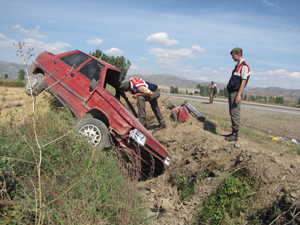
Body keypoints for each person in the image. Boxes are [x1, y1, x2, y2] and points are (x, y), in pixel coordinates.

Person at [225, 47, 250, 142]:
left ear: (238, 54)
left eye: (233, 56)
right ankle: (233, 132)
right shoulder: (238, 66)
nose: (232, 58)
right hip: (232, 92)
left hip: (236, 93)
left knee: (235, 112)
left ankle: (235, 134)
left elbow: (244, 81)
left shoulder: (244, 66)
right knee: (232, 112)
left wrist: (239, 95)